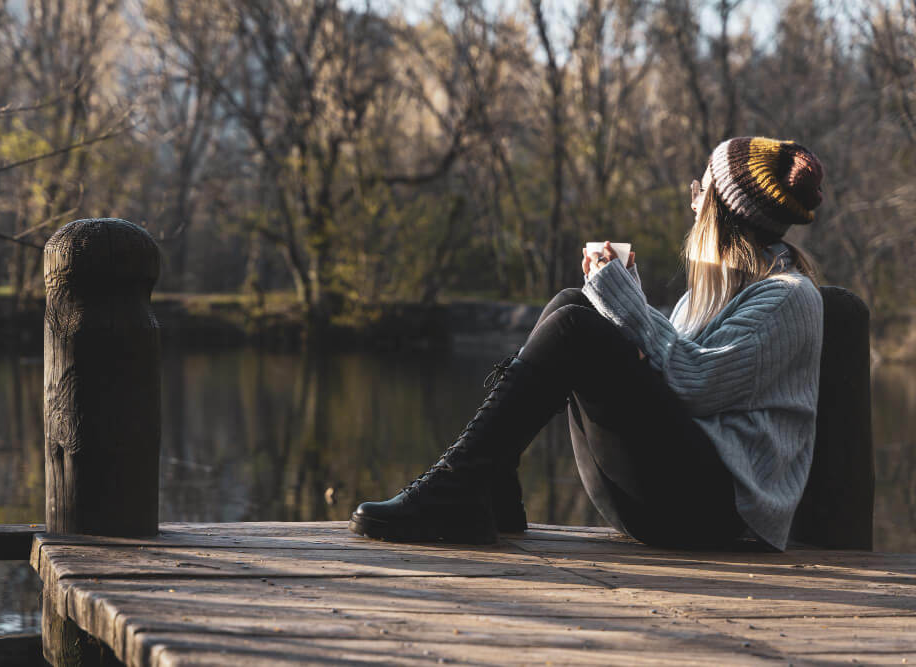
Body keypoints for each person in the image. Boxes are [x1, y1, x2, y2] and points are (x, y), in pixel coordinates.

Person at [348, 136, 825, 552]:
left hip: (719, 515)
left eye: (700, 191)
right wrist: (622, 295)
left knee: (576, 326)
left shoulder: (789, 297)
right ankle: (488, 487)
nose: (693, 203)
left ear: (720, 210)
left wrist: (624, 301)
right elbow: (668, 370)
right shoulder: (716, 293)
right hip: (677, 498)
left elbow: (694, 383)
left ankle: (458, 489)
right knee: (573, 303)